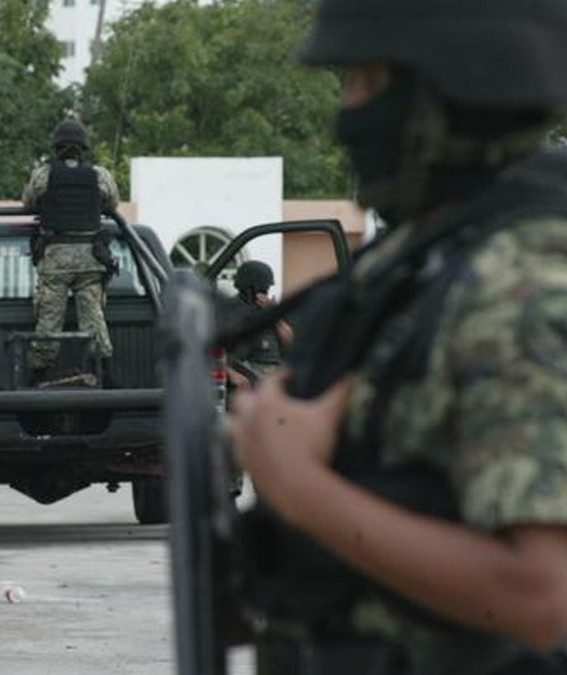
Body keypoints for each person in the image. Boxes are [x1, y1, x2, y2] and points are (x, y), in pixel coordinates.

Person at [228, 1, 567, 673]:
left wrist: (300, 487)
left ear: (452, 89)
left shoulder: (516, 280)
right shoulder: (423, 253)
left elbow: (541, 594)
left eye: (367, 83)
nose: (348, 114)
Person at [22, 118, 120, 385]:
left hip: (56, 263)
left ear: (56, 148)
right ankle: (107, 376)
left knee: (49, 321)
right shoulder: (100, 176)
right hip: (91, 261)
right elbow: (113, 202)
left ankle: (35, 377)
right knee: (94, 318)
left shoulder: (43, 175)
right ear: (84, 148)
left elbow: (28, 202)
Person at [226, 260, 293, 389]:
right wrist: (231, 373)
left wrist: (274, 315)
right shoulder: (230, 309)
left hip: (275, 371)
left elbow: (290, 341)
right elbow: (216, 351)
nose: (265, 293)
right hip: (247, 370)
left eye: (267, 289)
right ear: (249, 288)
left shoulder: (271, 309)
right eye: (262, 289)